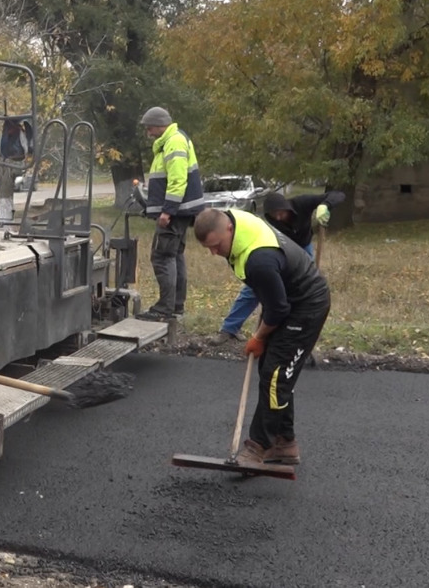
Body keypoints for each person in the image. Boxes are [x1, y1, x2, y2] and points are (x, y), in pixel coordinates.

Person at [193, 208, 331, 466]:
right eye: (208, 248)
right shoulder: (235, 223)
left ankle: (259, 446)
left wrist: (258, 337)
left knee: (276, 376)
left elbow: (278, 310)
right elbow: (273, 299)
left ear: (229, 229)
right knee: (274, 372)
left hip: (306, 306)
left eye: (216, 245)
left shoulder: (260, 260)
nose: (213, 253)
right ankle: (285, 443)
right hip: (285, 299)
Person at [212, 190, 346, 344]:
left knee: (304, 290)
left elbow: (338, 194)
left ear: (287, 207)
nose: (278, 217)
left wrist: (325, 205)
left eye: (280, 213)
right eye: (273, 214)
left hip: (303, 251)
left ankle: (302, 331)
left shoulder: (302, 203)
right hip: (279, 252)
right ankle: (229, 329)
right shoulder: (270, 222)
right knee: (254, 289)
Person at [134, 106, 204, 321]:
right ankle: (175, 307)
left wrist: (167, 211)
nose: (148, 133)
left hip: (175, 213)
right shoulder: (173, 140)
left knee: (162, 257)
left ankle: (164, 309)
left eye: (149, 128)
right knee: (175, 256)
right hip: (180, 212)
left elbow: (177, 180)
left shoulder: (174, 142)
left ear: (159, 125)